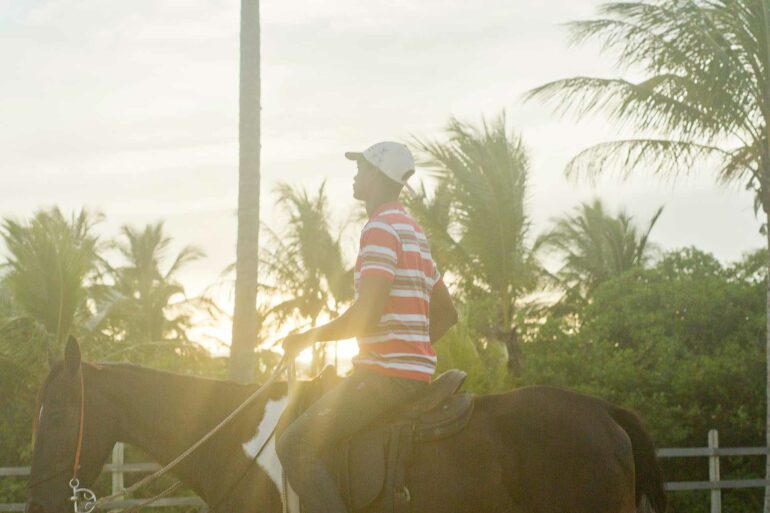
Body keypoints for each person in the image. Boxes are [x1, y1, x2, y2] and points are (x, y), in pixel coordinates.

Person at [275, 141, 458, 513]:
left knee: (294, 445)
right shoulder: (413, 231)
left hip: (383, 377)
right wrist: (411, 347)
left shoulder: (380, 229)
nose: (356, 176)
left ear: (376, 176)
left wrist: (303, 340)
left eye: (360, 169)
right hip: (414, 375)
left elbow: (365, 315)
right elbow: (447, 313)